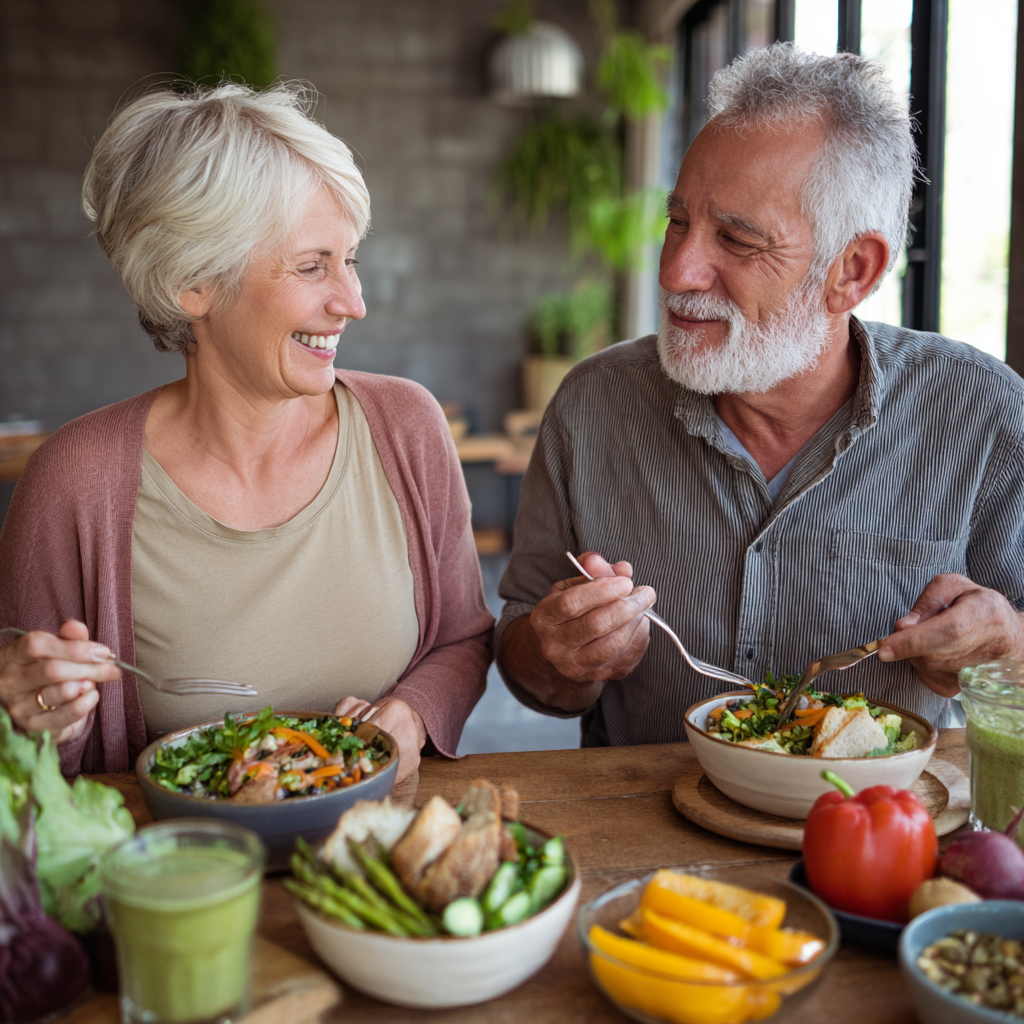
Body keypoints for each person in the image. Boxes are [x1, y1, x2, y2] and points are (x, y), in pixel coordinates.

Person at [496, 44, 1024, 747]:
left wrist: (1006, 649)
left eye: (737, 240)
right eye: (678, 220)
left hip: (876, 836)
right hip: (638, 845)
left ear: (853, 271)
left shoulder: (981, 413)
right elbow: (526, 670)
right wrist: (561, 653)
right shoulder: (593, 407)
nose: (679, 270)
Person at [0, 83, 493, 780]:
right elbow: (28, 764)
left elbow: (462, 640)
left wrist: (410, 714)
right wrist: (32, 720)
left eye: (349, 259)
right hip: (183, 879)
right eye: (312, 265)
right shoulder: (74, 481)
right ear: (193, 282)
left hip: (376, 868)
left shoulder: (407, 426)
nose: (352, 301)